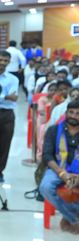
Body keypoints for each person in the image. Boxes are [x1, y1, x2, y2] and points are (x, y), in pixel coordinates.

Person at [39, 100, 79, 234]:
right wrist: (62, 173)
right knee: (45, 187)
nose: (74, 116)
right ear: (66, 113)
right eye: (71, 112)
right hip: (58, 169)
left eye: (78, 114)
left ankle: (69, 216)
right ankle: (73, 218)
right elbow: (47, 156)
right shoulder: (54, 130)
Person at [0, 50, 20, 182]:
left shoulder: (13, 79)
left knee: (5, 144)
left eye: (5, 61)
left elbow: (13, 98)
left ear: (9, 62)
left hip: (7, 115)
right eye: (0, 60)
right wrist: (6, 96)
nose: (2, 63)